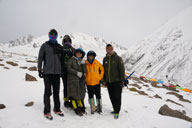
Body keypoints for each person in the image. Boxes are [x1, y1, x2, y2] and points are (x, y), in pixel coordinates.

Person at [37, 29, 64, 120]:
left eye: (54, 35)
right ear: (48, 35)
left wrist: (62, 70)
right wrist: (39, 69)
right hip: (47, 73)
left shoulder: (59, 47)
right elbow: (40, 58)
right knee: (48, 92)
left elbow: (62, 60)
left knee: (56, 92)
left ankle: (57, 109)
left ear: (56, 36)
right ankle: (47, 111)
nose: (53, 36)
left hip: (57, 73)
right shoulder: (44, 46)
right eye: (51, 35)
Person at [103, 44, 125, 119]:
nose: (108, 50)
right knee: (111, 96)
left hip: (117, 81)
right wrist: (104, 80)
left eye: (110, 49)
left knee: (117, 97)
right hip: (109, 82)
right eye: (107, 49)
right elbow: (104, 71)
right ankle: (115, 109)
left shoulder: (118, 58)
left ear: (112, 49)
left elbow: (122, 70)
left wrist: (122, 81)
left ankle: (117, 111)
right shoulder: (105, 59)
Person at [67, 48, 86, 116]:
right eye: (77, 52)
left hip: (80, 80)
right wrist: (76, 73)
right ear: (75, 53)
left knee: (79, 93)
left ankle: (81, 107)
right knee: (73, 94)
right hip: (72, 79)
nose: (79, 54)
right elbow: (68, 68)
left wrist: (83, 64)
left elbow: (84, 71)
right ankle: (76, 108)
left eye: (80, 53)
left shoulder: (82, 61)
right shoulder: (71, 59)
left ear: (82, 54)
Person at [61, 35, 74, 108]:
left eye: (68, 41)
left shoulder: (72, 49)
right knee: (65, 85)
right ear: (63, 41)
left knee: (72, 86)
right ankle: (66, 100)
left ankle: (72, 100)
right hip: (63, 70)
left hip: (71, 70)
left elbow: (76, 57)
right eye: (66, 41)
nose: (67, 42)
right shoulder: (61, 48)